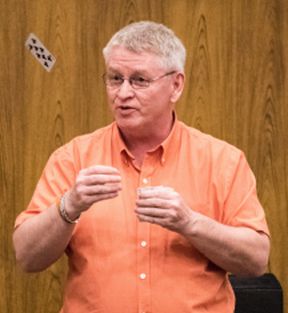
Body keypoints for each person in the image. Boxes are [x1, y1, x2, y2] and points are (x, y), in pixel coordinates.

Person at [13, 21, 270, 313]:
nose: (122, 93)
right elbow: (27, 257)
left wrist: (189, 223)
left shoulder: (223, 161)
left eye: (139, 80)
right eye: (114, 78)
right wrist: (68, 206)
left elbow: (256, 260)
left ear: (176, 85)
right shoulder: (72, 157)